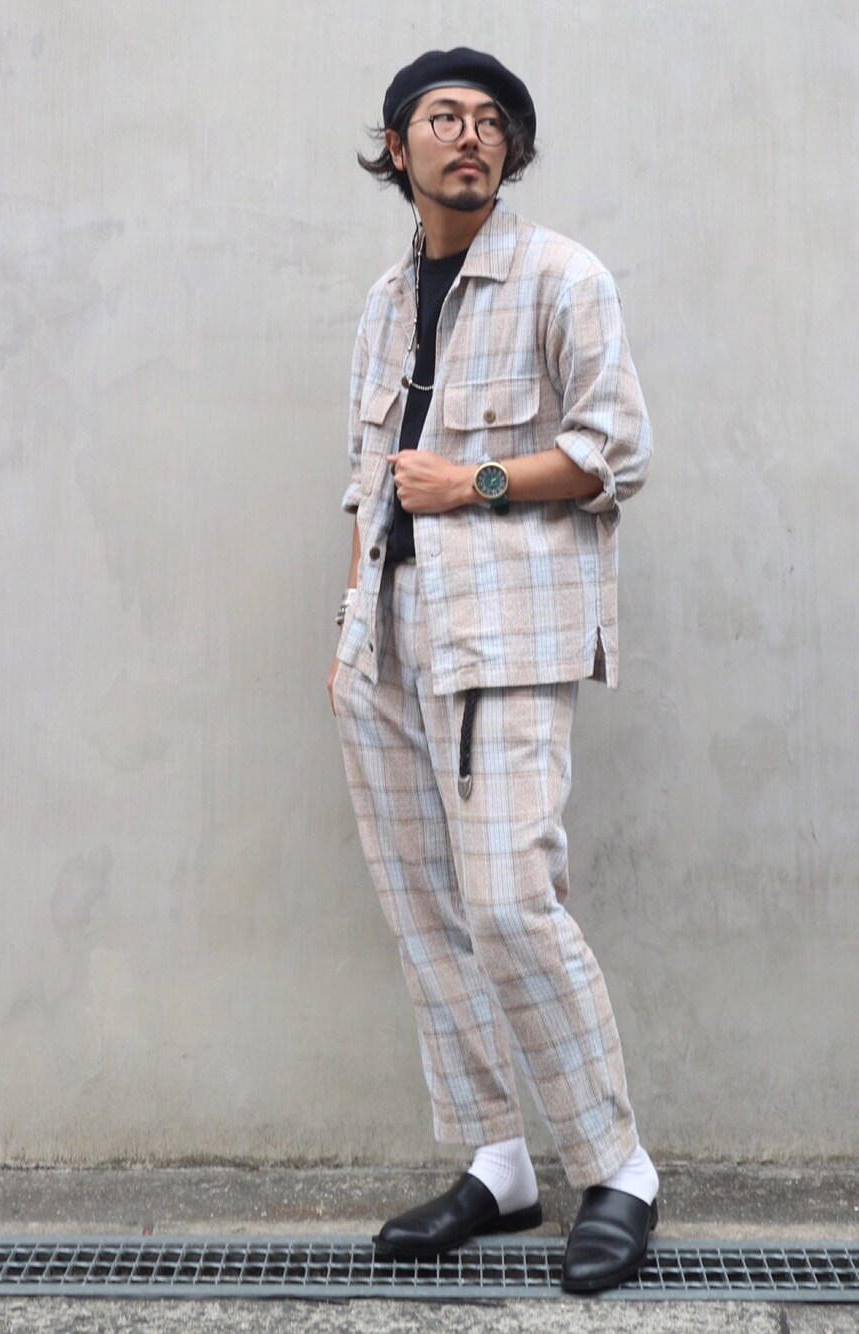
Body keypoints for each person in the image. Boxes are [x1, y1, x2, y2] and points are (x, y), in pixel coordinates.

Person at [327, 47, 656, 1294]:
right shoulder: (383, 302)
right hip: (386, 639)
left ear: (509, 151)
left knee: (511, 900)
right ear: (397, 146)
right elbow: (366, 481)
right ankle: (497, 1159)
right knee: (426, 910)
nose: (467, 135)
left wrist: (473, 481)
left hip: (506, 634)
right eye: (440, 116)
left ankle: (616, 1167)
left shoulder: (562, 276)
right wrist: (348, 632)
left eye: (488, 121)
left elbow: (616, 448)